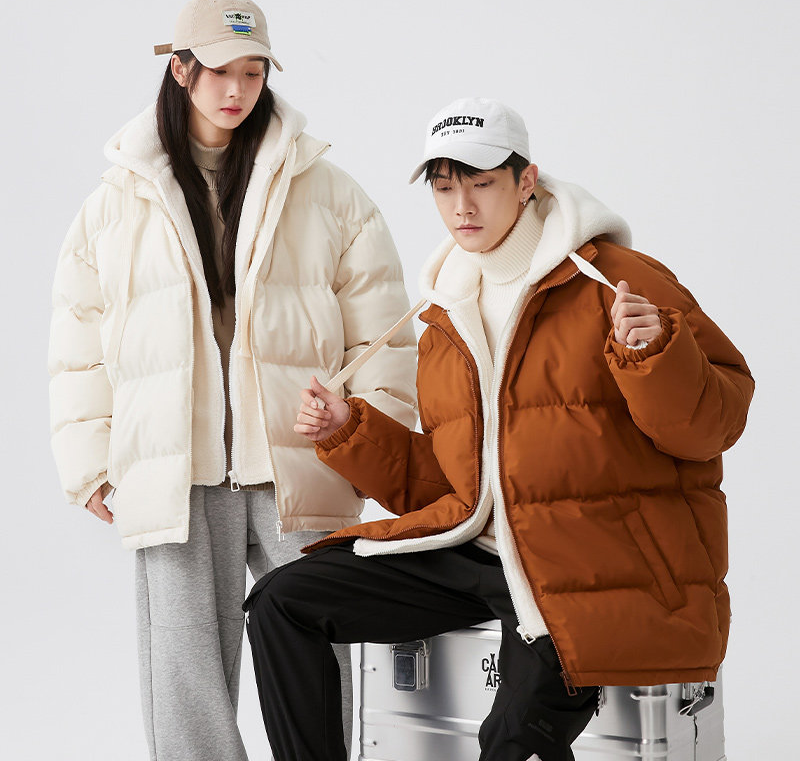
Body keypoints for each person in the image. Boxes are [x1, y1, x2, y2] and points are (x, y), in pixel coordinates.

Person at [243, 97, 755, 761]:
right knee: (281, 601)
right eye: (444, 187)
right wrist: (351, 432)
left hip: (586, 560)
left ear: (525, 181)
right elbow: (455, 486)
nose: (462, 206)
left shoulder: (620, 281)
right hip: (478, 553)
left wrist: (655, 355)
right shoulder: (446, 310)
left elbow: (714, 426)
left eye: (481, 183)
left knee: (512, 736)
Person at [47, 0, 417, 761]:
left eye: (254, 71)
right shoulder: (117, 201)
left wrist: (369, 439)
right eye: (220, 70)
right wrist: (89, 462)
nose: (238, 89)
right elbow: (79, 336)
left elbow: (383, 327)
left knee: (319, 650)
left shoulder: (328, 191)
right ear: (180, 70)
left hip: (298, 455)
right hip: (174, 463)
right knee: (182, 666)